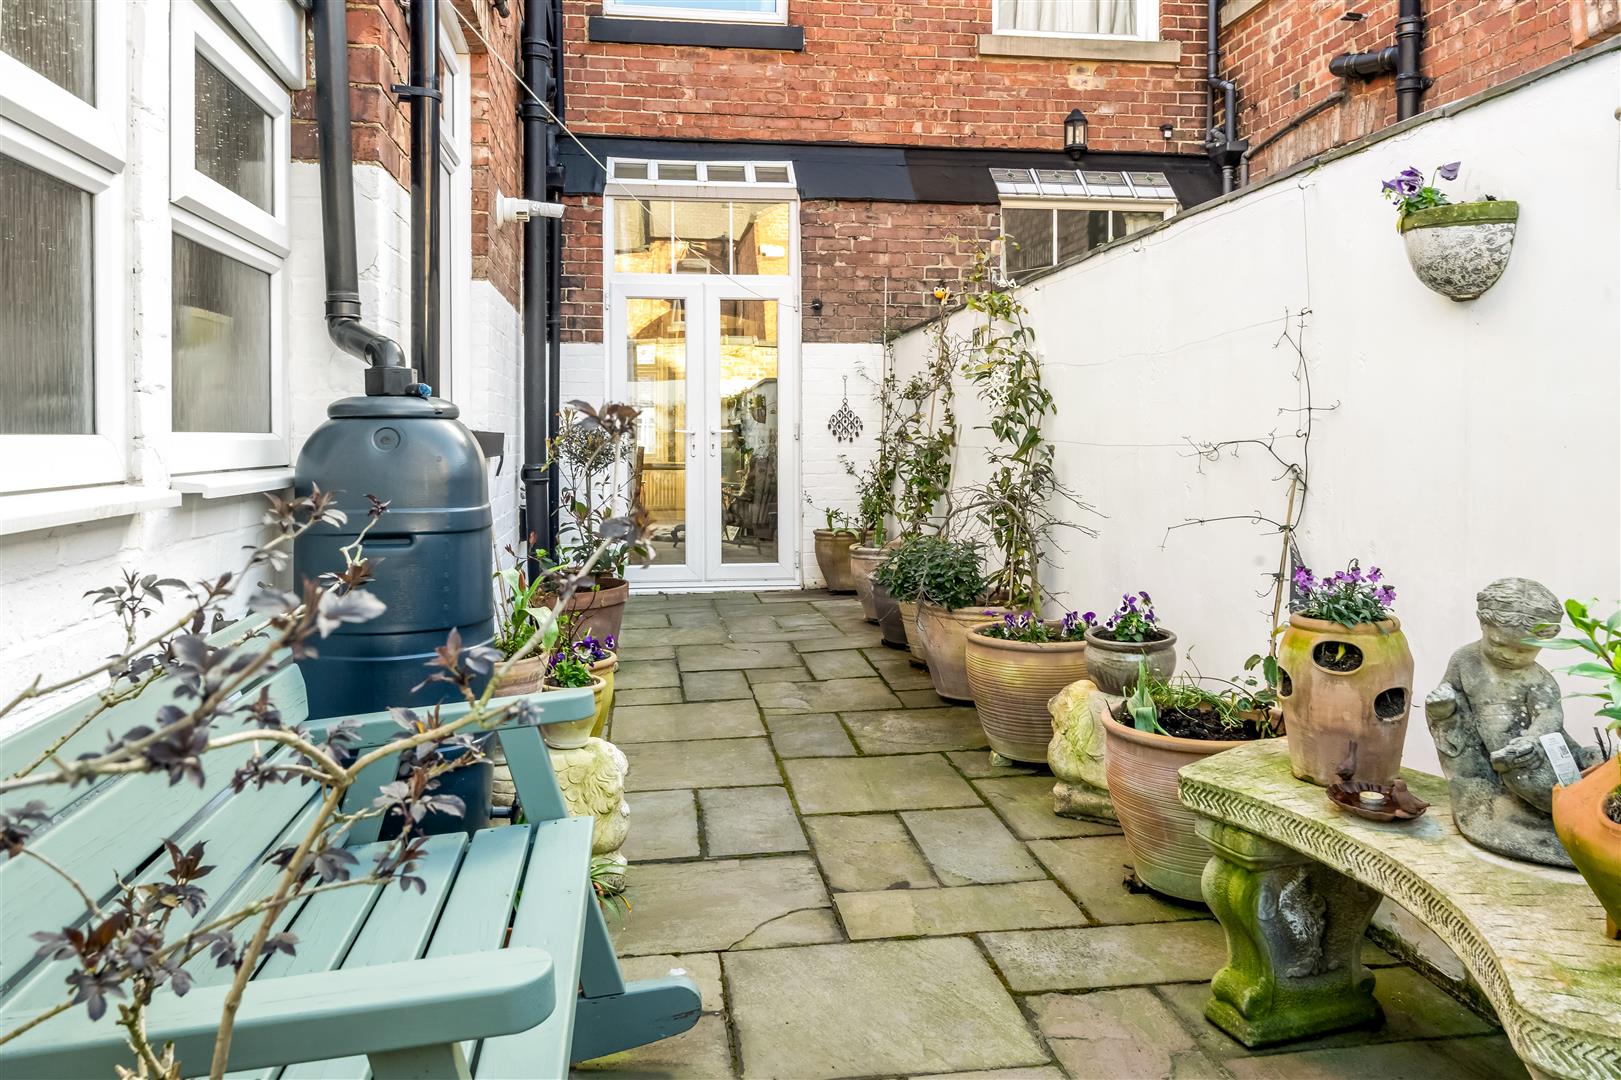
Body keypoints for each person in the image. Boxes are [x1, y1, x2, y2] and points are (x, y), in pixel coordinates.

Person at [1425, 577, 1601, 866]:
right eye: (1499, 644)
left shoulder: (1538, 678)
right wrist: (1443, 707)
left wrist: (1531, 740)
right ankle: (1566, 818)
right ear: (1483, 626)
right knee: (1522, 779)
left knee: (1556, 778)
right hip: (1495, 762)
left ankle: (1580, 821)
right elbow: (1450, 696)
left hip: (1535, 750)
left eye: (1525, 650)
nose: (1509, 655)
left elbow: (1550, 715)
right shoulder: (1465, 660)